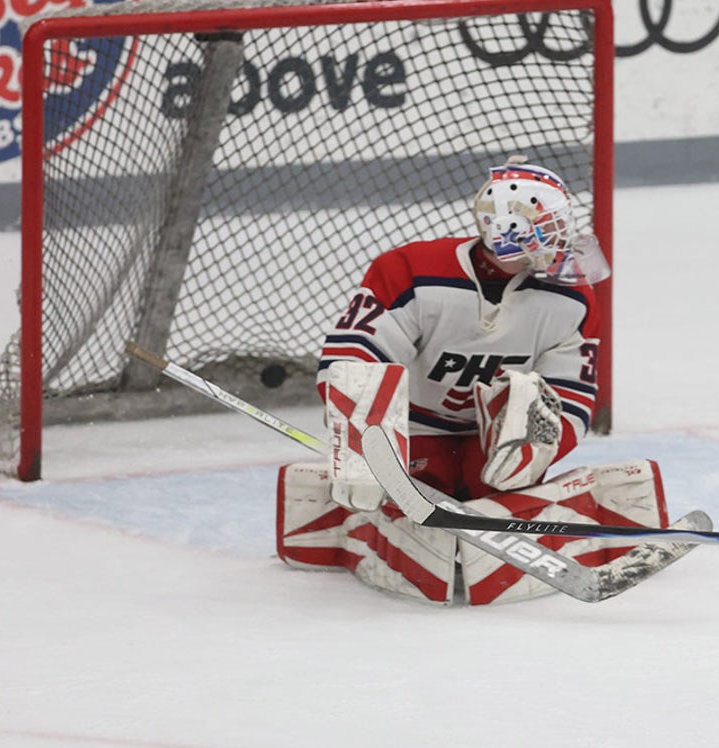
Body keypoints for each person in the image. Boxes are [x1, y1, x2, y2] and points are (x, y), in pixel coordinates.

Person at [273, 158, 674, 605]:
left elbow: (572, 396)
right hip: (416, 430)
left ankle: (521, 497)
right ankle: (368, 515)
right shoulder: (410, 270)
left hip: (494, 436)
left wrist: (536, 451)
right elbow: (354, 355)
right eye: (547, 228)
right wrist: (365, 446)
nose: (560, 239)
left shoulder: (572, 299)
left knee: (496, 493)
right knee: (417, 498)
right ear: (504, 230)